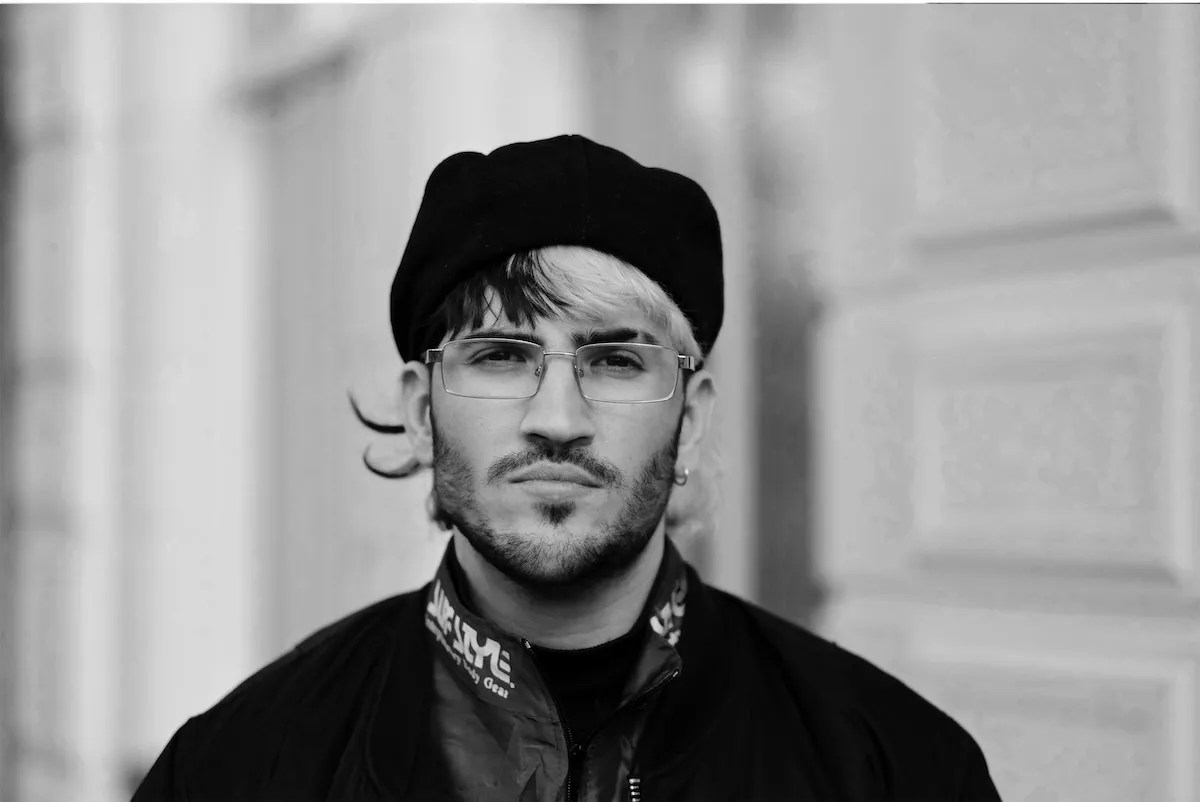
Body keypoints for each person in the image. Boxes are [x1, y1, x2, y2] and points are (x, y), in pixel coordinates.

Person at [133, 135, 1001, 802]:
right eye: (501, 357)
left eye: (616, 362)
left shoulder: (893, 769)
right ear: (422, 412)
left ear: (692, 418)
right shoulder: (240, 770)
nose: (557, 419)